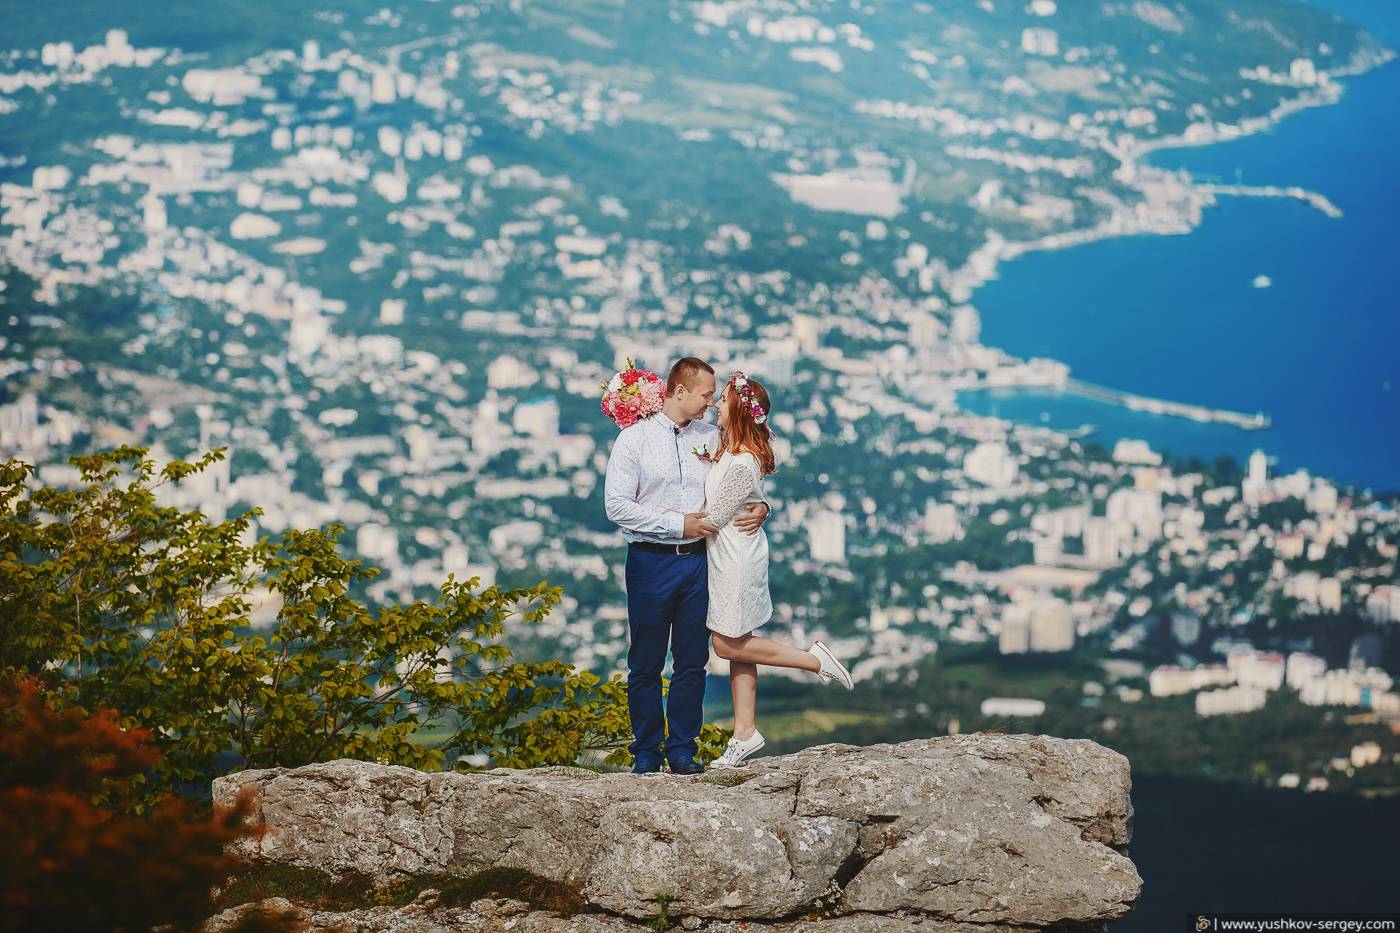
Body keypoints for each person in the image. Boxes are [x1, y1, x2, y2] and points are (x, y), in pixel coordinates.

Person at [603, 357, 771, 775]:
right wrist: (676, 524)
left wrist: (763, 506)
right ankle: (645, 750)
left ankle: (682, 748)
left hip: (699, 562)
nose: (711, 403)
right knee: (645, 662)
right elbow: (616, 506)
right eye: (705, 395)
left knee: (692, 661)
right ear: (679, 392)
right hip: (650, 561)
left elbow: (742, 477)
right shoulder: (634, 440)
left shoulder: (712, 437)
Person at [701, 371, 853, 770]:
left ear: (736, 411)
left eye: (722, 401)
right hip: (729, 558)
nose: (716, 405)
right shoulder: (730, 452)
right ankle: (745, 733)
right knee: (739, 645)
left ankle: (814, 661)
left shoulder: (741, 463)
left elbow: (713, 518)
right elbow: (745, 498)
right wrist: (764, 505)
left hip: (735, 563)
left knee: (725, 646)